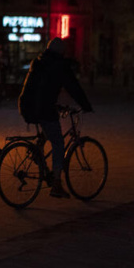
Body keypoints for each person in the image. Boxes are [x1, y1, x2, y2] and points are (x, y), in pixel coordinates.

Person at [18, 37, 93, 198]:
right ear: (61, 52)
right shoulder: (59, 66)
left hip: (28, 106)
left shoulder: (39, 62)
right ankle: (57, 184)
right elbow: (74, 87)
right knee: (58, 142)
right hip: (43, 108)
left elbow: (40, 89)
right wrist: (85, 105)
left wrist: (55, 105)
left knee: (47, 131)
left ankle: (37, 153)